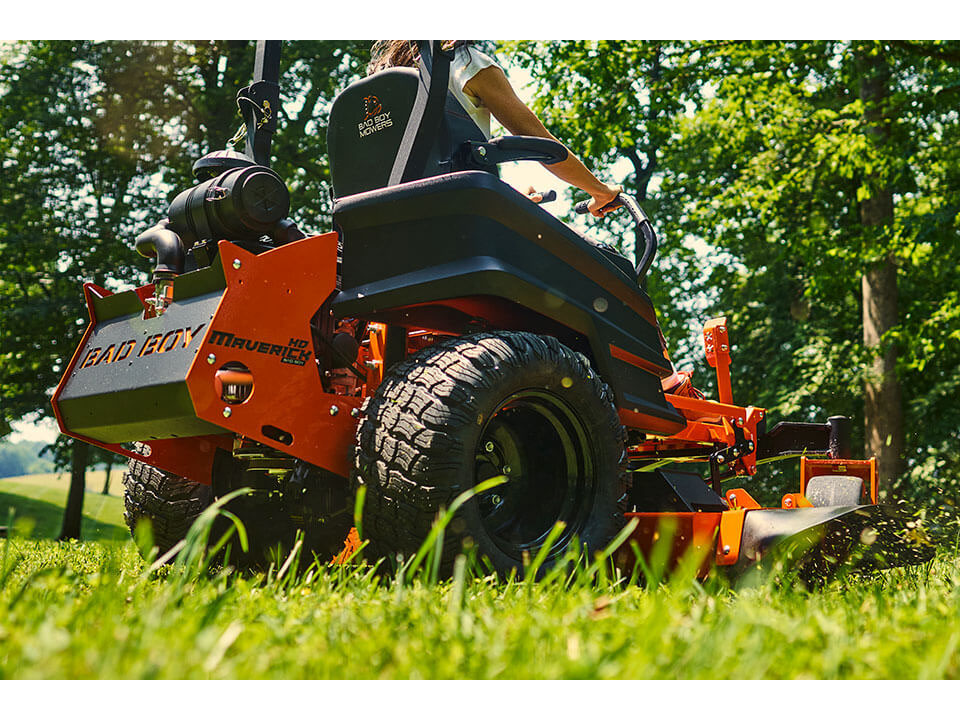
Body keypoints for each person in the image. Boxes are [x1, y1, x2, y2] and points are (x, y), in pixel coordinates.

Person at [367, 41, 702, 399]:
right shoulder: (464, 63)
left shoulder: (379, 82)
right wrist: (600, 191)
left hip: (392, 246)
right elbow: (538, 141)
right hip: (464, 239)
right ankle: (660, 386)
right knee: (609, 263)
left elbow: (419, 170)